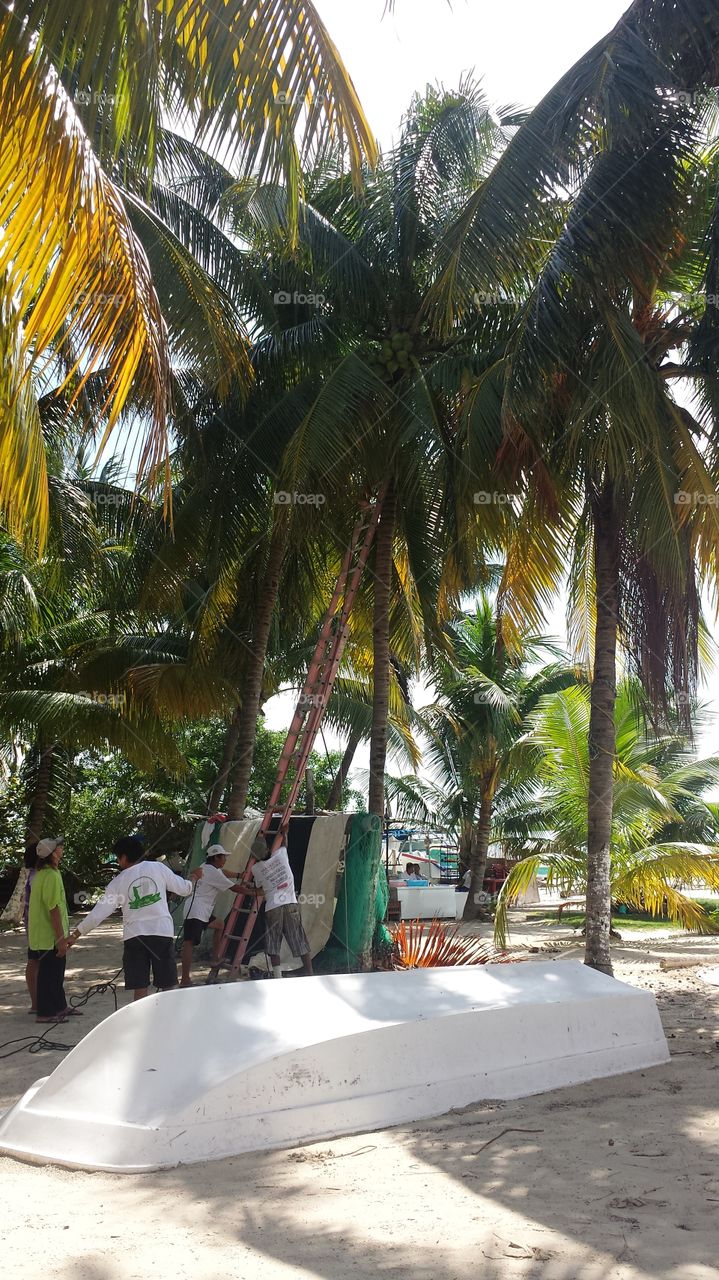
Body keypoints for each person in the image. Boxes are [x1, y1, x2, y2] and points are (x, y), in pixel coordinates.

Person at [67, 835, 202, 1000]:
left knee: (140, 986)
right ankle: (169, 1013)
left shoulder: (118, 882)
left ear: (124, 857)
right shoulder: (158, 868)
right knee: (168, 983)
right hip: (160, 933)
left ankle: (140, 1015)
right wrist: (193, 878)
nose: (118, 862)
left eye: (118, 858)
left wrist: (75, 934)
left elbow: (98, 913)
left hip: (134, 937)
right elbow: (184, 889)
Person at [245, 826, 313, 978]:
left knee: (273, 942)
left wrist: (248, 888)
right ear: (267, 849)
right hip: (290, 904)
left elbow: (260, 888)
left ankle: (277, 976)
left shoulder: (256, 869)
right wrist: (284, 833)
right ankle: (310, 972)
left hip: (272, 907)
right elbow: (284, 844)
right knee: (298, 938)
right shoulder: (280, 855)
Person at [28, 837, 78, 1024]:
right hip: (48, 937)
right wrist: (60, 939)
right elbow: (53, 909)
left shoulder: (45, 873)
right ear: (53, 853)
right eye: (59, 847)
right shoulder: (50, 875)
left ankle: (59, 1006)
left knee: (56, 972)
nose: (62, 849)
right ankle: (46, 1012)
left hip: (46, 935)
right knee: (49, 975)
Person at [180, 843, 246, 986]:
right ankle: (185, 979)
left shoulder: (206, 866)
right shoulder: (213, 873)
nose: (225, 860)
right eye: (223, 857)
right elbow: (235, 888)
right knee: (189, 943)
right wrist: (257, 891)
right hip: (196, 910)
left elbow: (224, 872)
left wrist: (239, 875)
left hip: (200, 910)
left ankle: (215, 958)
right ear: (216, 857)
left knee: (220, 924)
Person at [23, 844, 39, 1014]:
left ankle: (36, 1002)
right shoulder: (37, 876)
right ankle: (36, 1003)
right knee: (35, 960)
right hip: (37, 926)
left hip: (32, 924)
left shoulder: (32, 875)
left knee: (34, 960)